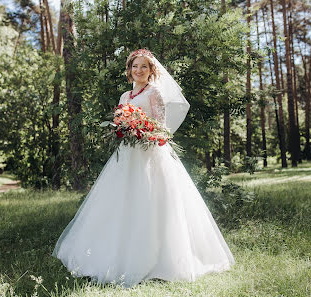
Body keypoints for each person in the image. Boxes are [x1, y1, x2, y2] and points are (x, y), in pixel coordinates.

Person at [52, 49, 234, 287]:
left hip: (151, 154)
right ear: (129, 70)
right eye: (135, 66)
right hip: (128, 155)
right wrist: (123, 129)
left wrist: (142, 130)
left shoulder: (154, 92)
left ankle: (159, 259)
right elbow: (118, 123)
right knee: (121, 201)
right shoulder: (124, 96)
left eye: (143, 67)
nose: (138, 70)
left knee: (153, 201)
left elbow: (162, 127)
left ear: (151, 71)